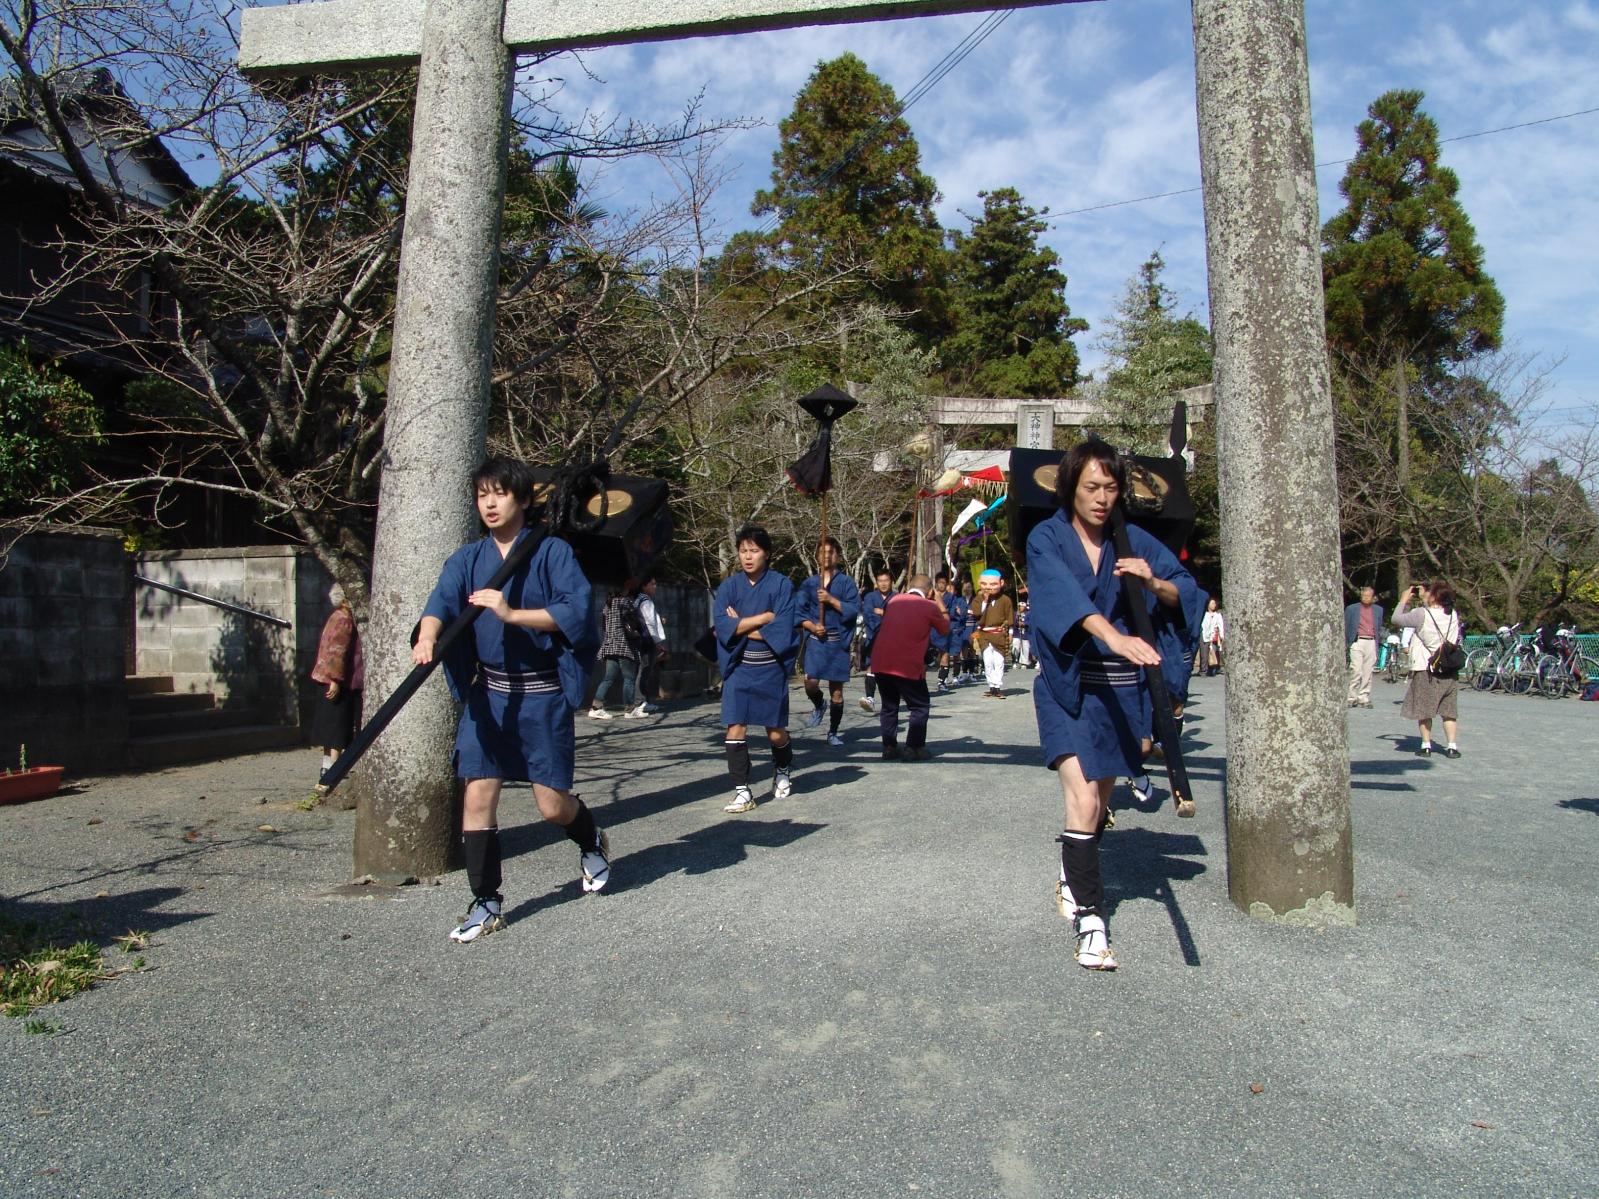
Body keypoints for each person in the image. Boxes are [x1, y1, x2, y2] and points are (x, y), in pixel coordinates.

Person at [414, 457, 609, 944]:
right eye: (483, 495)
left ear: (523, 499)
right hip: (489, 696)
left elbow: (577, 614)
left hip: (541, 695)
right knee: (477, 793)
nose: (490, 503)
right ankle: (486, 900)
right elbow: (441, 602)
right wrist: (428, 636)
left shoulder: (553, 551)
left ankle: (590, 839)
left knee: (550, 806)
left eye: (500, 494)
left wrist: (511, 612)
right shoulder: (467, 559)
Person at [1028, 439, 1198, 971]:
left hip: (1122, 693)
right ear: (1070, 489)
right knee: (1081, 801)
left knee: (1099, 803)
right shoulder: (1046, 538)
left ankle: (1069, 868)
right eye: (1091, 487)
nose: (1102, 498)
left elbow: (1188, 593)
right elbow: (1063, 599)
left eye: (1111, 487)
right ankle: (1092, 923)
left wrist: (1155, 582)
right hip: (1070, 686)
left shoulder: (1135, 541)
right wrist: (1113, 636)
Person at [713, 526, 799, 813]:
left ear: (768, 553)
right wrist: (762, 619)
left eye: (754, 550)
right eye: (743, 551)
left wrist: (741, 625)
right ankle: (742, 791)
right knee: (735, 727)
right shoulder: (728, 587)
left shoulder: (782, 585)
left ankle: (783, 768)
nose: (747, 557)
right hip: (738, 667)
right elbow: (722, 628)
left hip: (770, 667)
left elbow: (783, 630)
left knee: (775, 732)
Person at [870, 575, 950, 760]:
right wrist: (940, 603)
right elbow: (945, 628)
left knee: (889, 706)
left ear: (908, 587)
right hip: (906, 662)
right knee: (920, 705)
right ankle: (913, 747)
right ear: (930, 592)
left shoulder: (894, 600)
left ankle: (889, 747)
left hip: (881, 661)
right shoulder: (929, 606)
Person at [797, 536, 861, 748]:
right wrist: (812, 626)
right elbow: (799, 612)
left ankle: (833, 732)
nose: (827, 556)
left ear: (838, 556)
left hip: (837, 643)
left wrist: (831, 600)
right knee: (810, 682)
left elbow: (853, 610)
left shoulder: (846, 583)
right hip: (816, 641)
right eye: (822, 553)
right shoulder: (808, 584)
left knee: (837, 691)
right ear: (817, 557)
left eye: (831, 552)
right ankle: (818, 704)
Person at [1393, 580, 1463, 758]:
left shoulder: (1421, 614)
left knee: (1424, 709)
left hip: (1427, 667)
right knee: (1449, 711)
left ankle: (1426, 745)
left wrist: (1403, 600)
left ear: (1433, 596)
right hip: (1449, 668)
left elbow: (1397, 619)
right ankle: (1452, 746)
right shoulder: (1453, 614)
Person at [309, 584, 363, 794]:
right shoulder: (343, 619)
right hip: (337, 680)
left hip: (329, 677)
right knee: (336, 726)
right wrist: (335, 679)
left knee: (331, 726)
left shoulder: (336, 617)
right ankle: (333, 768)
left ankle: (328, 766)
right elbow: (336, 650)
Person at [589, 579, 647, 720]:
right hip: (623, 646)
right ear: (624, 588)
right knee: (629, 678)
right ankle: (630, 709)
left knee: (608, 678)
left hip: (609, 646)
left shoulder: (607, 605)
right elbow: (636, 623)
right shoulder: (625, 603)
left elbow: (604, 626)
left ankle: (596, 707)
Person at [858, 566, 896, 714]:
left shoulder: (897, 598)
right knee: (871, 665)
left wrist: (883, 612)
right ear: (877, 583)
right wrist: (886, 617)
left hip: (893, 639)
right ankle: (870, 698)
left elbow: (898, 617)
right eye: (880, 581)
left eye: (886, 580)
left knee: (890, 671)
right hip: (874, 636)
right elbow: (868, 614)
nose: (883, 584)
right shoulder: (869, 597)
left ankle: (890, 700)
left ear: (891, 581)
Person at [972, 567, 1014, 698]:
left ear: (1001, 583)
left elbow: (1009, 618)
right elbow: (977, 613)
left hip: (999, 634)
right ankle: (991, 685)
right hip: (984, 634)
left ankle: (997, 686)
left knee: (999, 661)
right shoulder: (978, 599)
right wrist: (985, 600)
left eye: (993, 584)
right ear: (980, 583)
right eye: (985, 584)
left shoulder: (1006, 600)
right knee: (987, 661)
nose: (989, 587)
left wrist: (1010, 633)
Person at [632, 575, 668, 715]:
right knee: (644, 670)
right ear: (644, 586)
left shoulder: (638, 600)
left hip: (642, 639)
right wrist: (657, 642)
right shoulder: (645, 600)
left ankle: (643, 701)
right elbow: (650, 622)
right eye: (652, 584)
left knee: (644, 671)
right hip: (647, 640)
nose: (655, 586)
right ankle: (639, 703)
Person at [1344, 586, 1384, 708]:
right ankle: (1351, 696)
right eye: (1364, 596)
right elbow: (1346, 625)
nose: (1366, 598)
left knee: (1368, 671)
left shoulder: (1378, 610)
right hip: (1357, 640)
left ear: (1373, 597)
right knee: (1356, 669)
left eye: (1368, 596)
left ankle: (1364, 696)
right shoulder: (1351, 609)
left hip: (1371, 641)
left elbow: (1379, 626)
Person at [933, 571, 960, 693]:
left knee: (945, 654)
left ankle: (942, 681)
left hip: (945, 626)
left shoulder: (951, 597)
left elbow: (953, 611)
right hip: (931, 627)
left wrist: (951, 611)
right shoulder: (931, 594)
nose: (941, 585)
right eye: (939, 582)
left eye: (944, 583)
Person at [957, 580, 980, 682]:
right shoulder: (959, 600)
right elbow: (958, 613)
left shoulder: (976, 600)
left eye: (969, 587)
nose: (967, 589)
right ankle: (965, 672)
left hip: (974, 627)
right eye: (965, 587)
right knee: (964, 651)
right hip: (963, 628)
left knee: (973, 650)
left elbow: (978, 614)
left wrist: (966, 612)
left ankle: (972, 673)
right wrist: (965, 613)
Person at [1199, 597, 1225, 676]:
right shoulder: (1204, 614)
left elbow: (1221, 625)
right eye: (1212, 603)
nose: (1214, 605)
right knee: (1204, 653)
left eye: (1214, 603)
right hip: (1204, 635)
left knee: (1214, 652)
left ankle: (1213, 668)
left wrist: (1221, 635)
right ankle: (1203, 669)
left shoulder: (1218, 615)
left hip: (1214, 636)